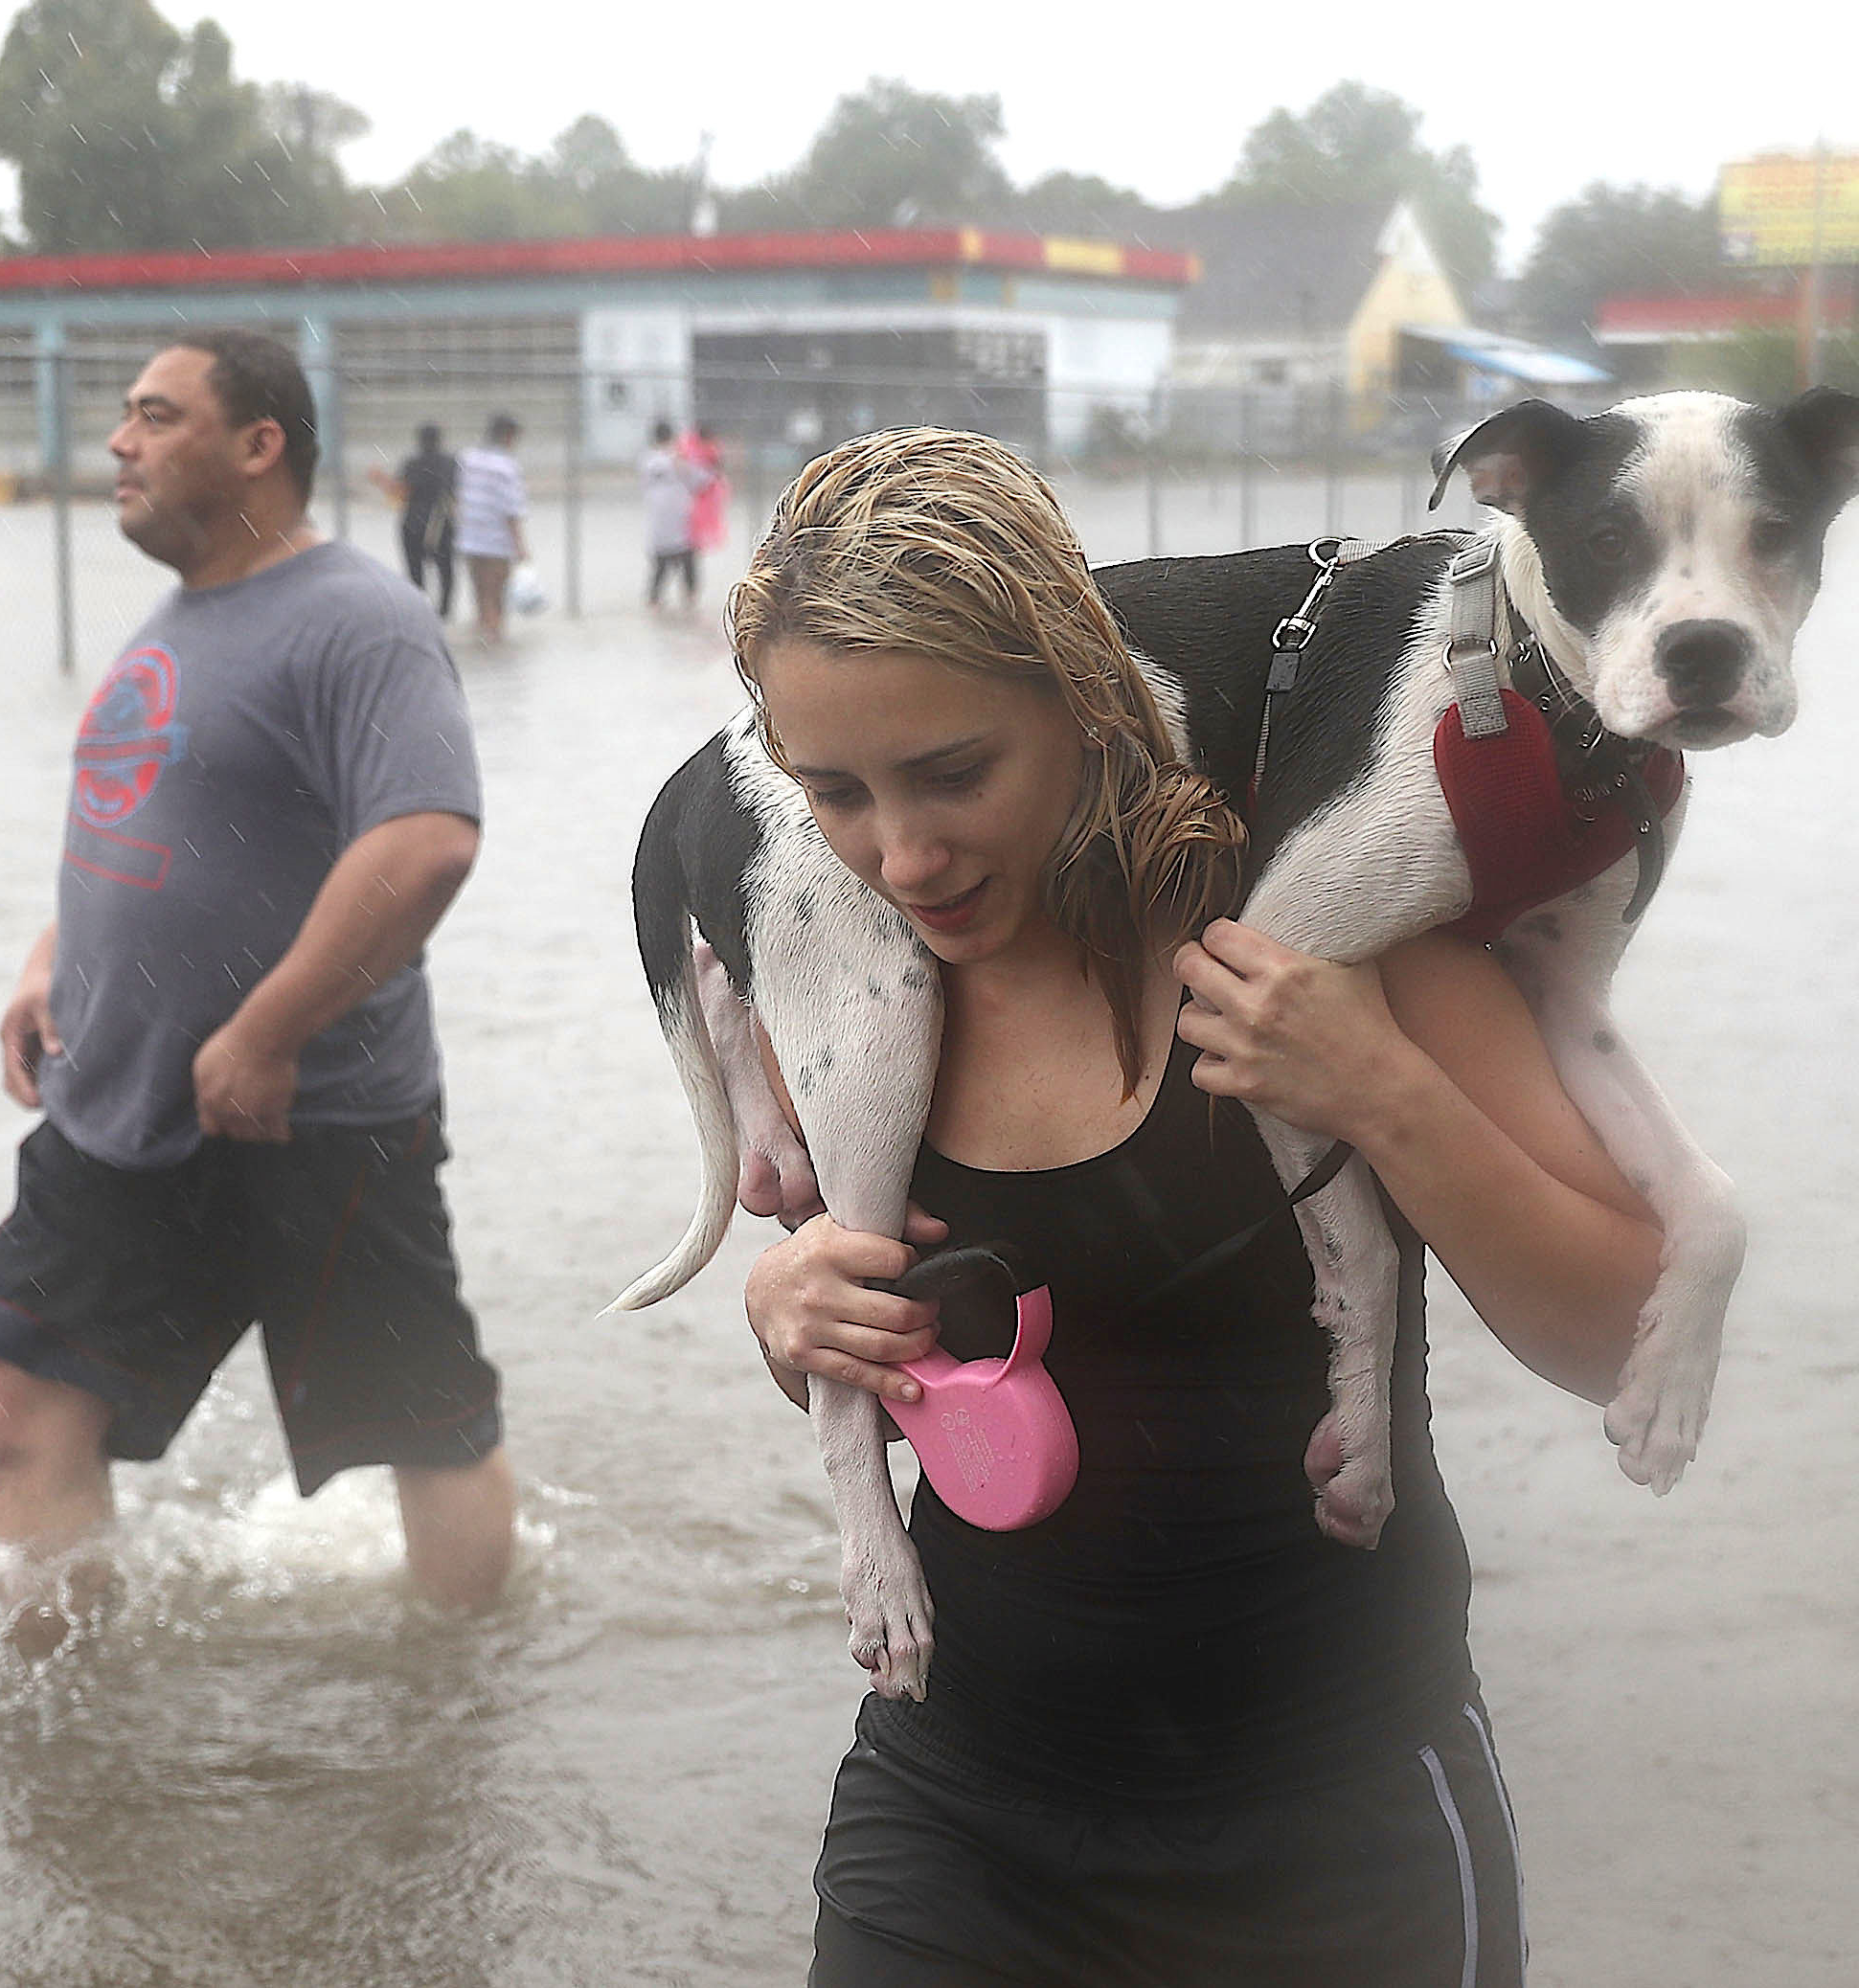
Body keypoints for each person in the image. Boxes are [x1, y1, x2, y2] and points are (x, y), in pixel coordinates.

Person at [729, 429, 1666, 1984]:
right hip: (960, 1816)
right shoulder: (842, 972)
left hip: (1341, 1836)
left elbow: (1622, 1333)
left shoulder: (1325, 920)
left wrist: (1383, 1091)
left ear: (1087, 701)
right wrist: (797, 1316)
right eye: (834, 791)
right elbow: (930, 1383)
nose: (902, 852)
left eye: (955, 772)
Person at [0, 329, 515, 1653]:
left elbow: (427, 839)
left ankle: (464, 1706)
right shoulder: (180, 619)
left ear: (260, 444)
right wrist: (49, 965)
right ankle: (64, 1720)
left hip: (311, 1118)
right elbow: (151, 828)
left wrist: (269, 1033)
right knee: (25, 1401)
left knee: (421, 1426)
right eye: (125, 418)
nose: (118, 443)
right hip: (124, 1107)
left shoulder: (359, 618)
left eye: (155, 416)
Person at [453, 411, 529, 644]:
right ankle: (495, 635)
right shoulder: (507, 466)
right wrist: (520, 545)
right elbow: (512, 509)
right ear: (508, 436)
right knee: (497, 590)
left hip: (470, 535)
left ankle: (483, 628)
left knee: (479, 587)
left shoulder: (467, 458)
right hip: (497, 538)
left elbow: (458, 494)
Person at [386, 420, 458, 618]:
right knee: (446, 569)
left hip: (413, 521)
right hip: (441, 522)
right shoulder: (450, 462)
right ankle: (444, 611)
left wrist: (382, 481)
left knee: (415, 569)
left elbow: (401, 492)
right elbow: (455, 491)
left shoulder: (411, 463)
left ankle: (419, 609)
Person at [641, 416, 704, 609]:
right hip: (665, 519)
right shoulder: (654, 459)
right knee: (663, 562)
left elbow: (699, 480)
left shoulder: (675, 458)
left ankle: (688, 597)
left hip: (681, 518)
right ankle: (657, 599)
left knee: (686, 559)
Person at [679, 418, 730, 567]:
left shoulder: (712, 448)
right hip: (688, 490)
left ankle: (696, 540)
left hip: (706, 491)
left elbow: (718, 467)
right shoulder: (687, 443)